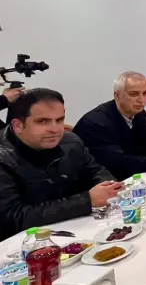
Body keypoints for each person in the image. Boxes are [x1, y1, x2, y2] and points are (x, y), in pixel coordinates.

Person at [0, 89, 122, 239]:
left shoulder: (70, 141)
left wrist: (108, 188)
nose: (55, 129)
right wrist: (86, 201)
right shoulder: (4, 157)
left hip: (79, 229)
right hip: (25, 243)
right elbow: (13, 218)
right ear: (18, 126)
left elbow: (96, 171)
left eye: (59, 120)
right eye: (43, 121)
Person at [73, 72, 146, 180]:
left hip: (132, 178)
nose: (141, 100)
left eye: (145, 93)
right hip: (100, 184)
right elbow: (119, 163)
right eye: (134, 94)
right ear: (117, 95)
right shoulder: (96, 123)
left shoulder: (139, 114)